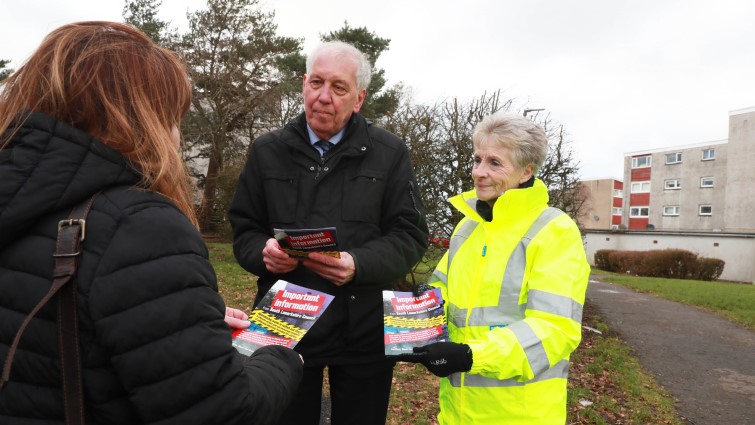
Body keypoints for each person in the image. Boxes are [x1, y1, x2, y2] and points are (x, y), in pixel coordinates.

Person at [0, 21, 302, 425]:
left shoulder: (18, 202)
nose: (177, 137)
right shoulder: (140, 227)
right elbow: (223, 413)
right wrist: (280, 359)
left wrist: (179, 317)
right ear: (142, 119)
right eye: (174, 117)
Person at [229, 40, 429, 425]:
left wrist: (359, 263)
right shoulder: (267, 150)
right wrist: (263, 252)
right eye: (316, 82)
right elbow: (245, 230)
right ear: (303, 84)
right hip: (283, 322)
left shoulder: (390, 152)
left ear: (359, 98)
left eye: (338, 87)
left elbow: (410, 235)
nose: (323, 96)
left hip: (364, 325)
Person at [397, 112, 590, 424]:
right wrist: (421, 310)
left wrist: (471, 356)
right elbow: (443, 292)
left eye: (494, 163)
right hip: (458, 410)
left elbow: (554, 330)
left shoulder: (554, 231)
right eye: (477, 160)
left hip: (519, 413)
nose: (479, 173)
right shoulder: (468, 228)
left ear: (526, 171)